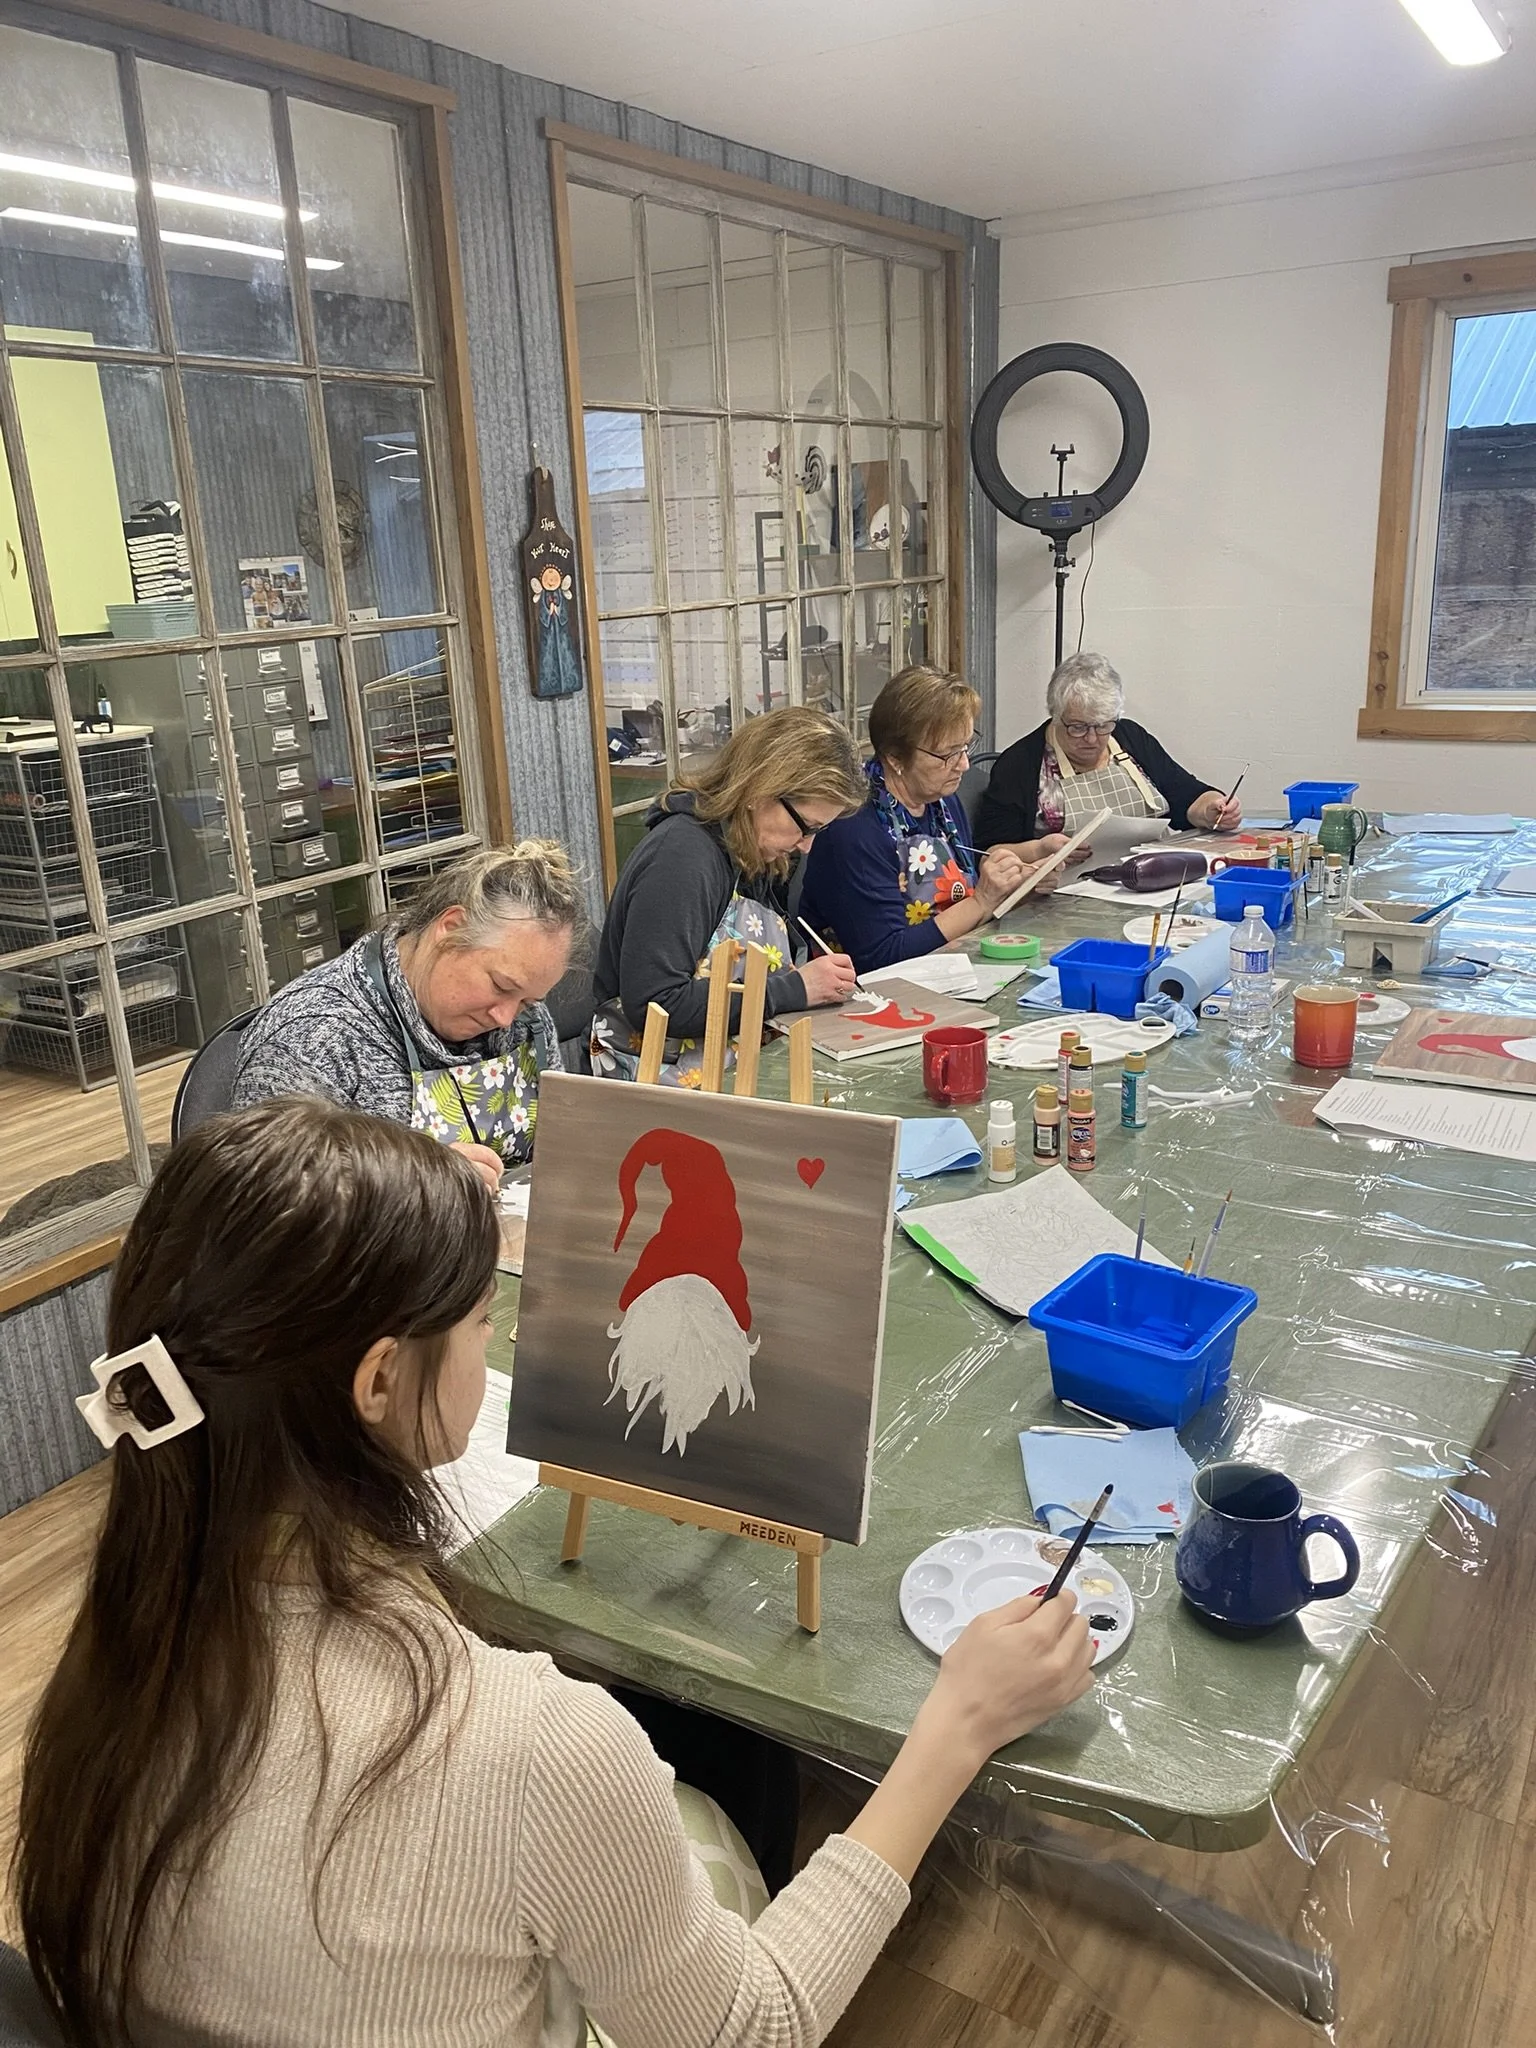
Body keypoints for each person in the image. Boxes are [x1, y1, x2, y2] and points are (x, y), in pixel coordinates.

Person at [17, 1101, 1094, 2047]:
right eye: (485, 1319)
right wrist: (957, 1723)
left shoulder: (120, 1639)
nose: (504, 1340)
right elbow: (754, 2024)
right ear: (380, 1379)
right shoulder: (528, 1745)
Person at [232, 842, 582, 1188]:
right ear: (451, 928)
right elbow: (268, 1195)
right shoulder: (310, 1037)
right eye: (500, 986)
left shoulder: (525, 1020)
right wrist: (417, 1180)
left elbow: (563, 1145)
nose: (505, 1018)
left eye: (527, 1001)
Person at [591, 707, 867, 1084]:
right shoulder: (682, 859)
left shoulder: (748, 849)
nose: (806, 846)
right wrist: (795, 989)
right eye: (806, 827)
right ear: (760, 790)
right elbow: (656, 1004)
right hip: (660, 1085)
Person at [797, 665, 1072, 975]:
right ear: (895, 758)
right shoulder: (853, 827)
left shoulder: (942, 803)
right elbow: (884, 957)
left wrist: (1022, 886)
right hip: (869, 988)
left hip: (946, 968)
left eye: (965, 747)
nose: (964, 765)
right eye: (948, 755)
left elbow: (961, 901)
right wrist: (982, 901)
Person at [975, 651, 1243, 853]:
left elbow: (1186, 795)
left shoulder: (1130, 736)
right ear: (1055, 716)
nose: (1092, 739)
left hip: (1149, 876)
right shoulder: (1019, 764)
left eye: (1103, 725)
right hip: (1067, 892)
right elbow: (990, 853)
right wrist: (1041, 849)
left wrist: (1213, 809)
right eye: (1078, 727)